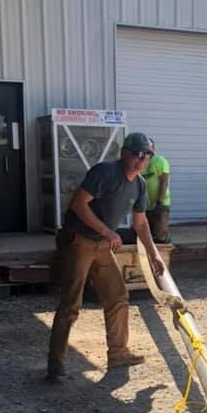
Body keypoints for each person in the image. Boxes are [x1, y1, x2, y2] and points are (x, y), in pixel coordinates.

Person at [47, 132, 165, 380]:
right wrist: (107, 231)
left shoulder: (139, 184)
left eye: (146, 155)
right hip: (78, 242)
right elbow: (79, 204)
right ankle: (56, 364)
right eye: (136, 153)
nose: (140, 159)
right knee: (71, 304)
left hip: (101, 245)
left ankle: (118, 353)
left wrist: (155, 255)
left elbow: (141, 224)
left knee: (118, 296)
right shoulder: (105, 172)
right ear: (124, 153)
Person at [142, 138, 171, 243]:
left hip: (160, 204)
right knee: (147, 235)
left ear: (153, 148)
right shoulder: (141, 162)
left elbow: (164, 181)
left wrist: (160, 201)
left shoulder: (159, 160)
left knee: (160, 235)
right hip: (146, 205)